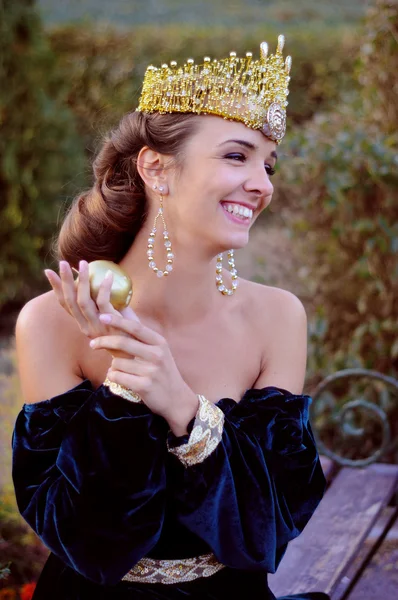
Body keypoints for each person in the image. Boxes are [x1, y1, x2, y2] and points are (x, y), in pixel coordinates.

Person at [12, 35, 328, 600]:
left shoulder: (278, 318)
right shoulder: (50, 324)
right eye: (237, 155)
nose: (263, 184)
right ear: (156, 169)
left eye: (268, 164)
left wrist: (182, 406)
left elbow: (266, 533)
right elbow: (88, 541)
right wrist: (127, 387)